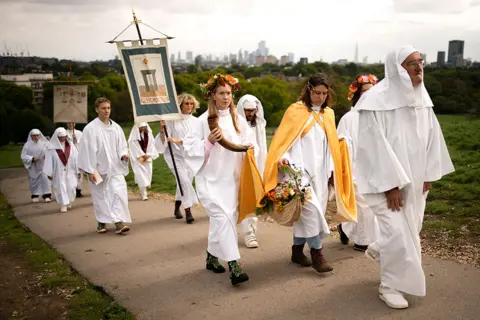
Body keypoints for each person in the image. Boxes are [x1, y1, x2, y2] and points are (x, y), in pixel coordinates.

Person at [354, 45, 455, 309]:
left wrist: (429, 172)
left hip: (417, 178)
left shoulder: (422, 98)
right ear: (397, 69)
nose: (419, 67)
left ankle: (379, 247)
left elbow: (432, 137)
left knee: (412, 227)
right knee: (398, 233)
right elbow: (373, 147)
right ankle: (389, 286)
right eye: (412, 63)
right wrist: (391, 186)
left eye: (421, 62)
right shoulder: (375, 101)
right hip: (385, 184)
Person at [262, 73, 356, 274]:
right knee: (311, 211)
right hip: (297, 171)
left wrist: (332, 169)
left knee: (310, 214)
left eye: (324, 93)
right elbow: (284, 139)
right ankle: (317, 254)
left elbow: (330, 145)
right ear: (308, 90)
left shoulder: (328, 114)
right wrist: (284, 156)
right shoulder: (295, 111)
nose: (320, 97)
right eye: (316, 93)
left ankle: (297, 251)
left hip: (321, 172)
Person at [183, 74, 258, 286]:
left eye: (229, 93)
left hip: (231, 181)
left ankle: (210, 256)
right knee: (223, 219)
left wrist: (251, 148)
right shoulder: (201, 121)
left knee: (223, 221)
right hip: (210, 181)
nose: (226, 97)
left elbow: (249, 143)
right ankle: (234, 266)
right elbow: (189, 150)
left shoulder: (238, 120)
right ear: (213, 96)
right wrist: (207, 142)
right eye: (221, 93)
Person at [337, 75, 380, 252]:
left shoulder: (380, 115)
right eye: (365, 91)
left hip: (375, 166)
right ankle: (363, 241)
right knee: (363, 204)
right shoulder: (348, 118)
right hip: (354, 167)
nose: (369, 94)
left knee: (374, 205)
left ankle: (345, 228)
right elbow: (340, 142)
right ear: (357, 94)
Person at [77, 97, 131, 235]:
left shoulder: (116, 128)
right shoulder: (90, 129)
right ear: (97, 110)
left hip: (115, 168)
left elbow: (122, 146)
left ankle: (119, 222)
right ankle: (101, 221)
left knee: (118, 193)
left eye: (108, 108)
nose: (106, 111)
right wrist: (89, 170)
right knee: (101, 196)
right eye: (103, 108)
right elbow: (86, 151)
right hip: (98, 169)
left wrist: (124, 155)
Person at [155, 94, 199, 224]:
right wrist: (162, 130)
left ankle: (176, 207)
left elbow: (196, 139)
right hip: (174, 156)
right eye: (186, 103)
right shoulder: (172, 120)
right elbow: (163, 140)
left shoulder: (196, 122)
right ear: (180, 105)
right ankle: (188, 211)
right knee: (184, 181)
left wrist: (180, 141)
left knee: (184, 183)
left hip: (190, 157)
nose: (189, 106)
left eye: (192, 104)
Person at [236, 94, 267, 248]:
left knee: (251, 200)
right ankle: (227, 230)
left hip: (255, 167)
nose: (250, 114)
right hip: (237, 167)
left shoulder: (259, 125)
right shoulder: (235, 124)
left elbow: (262, 149)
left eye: (253, 111)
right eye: (247, 111)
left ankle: (250, 233)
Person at [44, 127, 79, 212]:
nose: (62, 139)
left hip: (70, 170)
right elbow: (48, 161)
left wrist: (78, 170)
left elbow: (76, 158)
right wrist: (49, 172)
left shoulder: (70, 146)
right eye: (60, 137)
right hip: (58, 172)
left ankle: (69, 200)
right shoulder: (51, 148)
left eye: (64, 137)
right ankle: (64, 204)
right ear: (56, 137)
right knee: (60, 186)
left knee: (71, 186)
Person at [128, 122, 159, 201]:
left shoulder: (149, 134)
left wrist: (148, 154)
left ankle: (144, 190)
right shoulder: (134, 137)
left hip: (147, 157)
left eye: (145, 127)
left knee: (147, 174)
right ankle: (144, 194)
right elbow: (133, 147)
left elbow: (151, 145)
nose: (143, 128)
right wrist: (141, 155)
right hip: (138, 159)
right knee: (141, 176)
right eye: (142, 127)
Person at [21, 129, 51, 203]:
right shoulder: (27, 145)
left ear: (40, 135)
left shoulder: (45, 143)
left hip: (44, 165)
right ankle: (35, 195)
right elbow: (23, 156)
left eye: (37, 135)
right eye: (34, 135)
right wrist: (32, 159)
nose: (36, 137)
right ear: (31, 136)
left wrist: (47, 155)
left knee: (46, 180)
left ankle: (47, 195)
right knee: (34, 180)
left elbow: (51, 151)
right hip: (33, 166)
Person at [66, 122, 84, 198]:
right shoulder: (64, 133)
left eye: (72, 123)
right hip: (69, 156)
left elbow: (83, 143)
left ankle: (78, 190)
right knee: (70, 172)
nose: (70, 125)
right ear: (67, 124)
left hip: (78, 154)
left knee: (79, 172)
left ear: (75, 124)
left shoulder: (79, 133)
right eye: (69, 123)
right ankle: (70, 189)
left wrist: (76, 140)